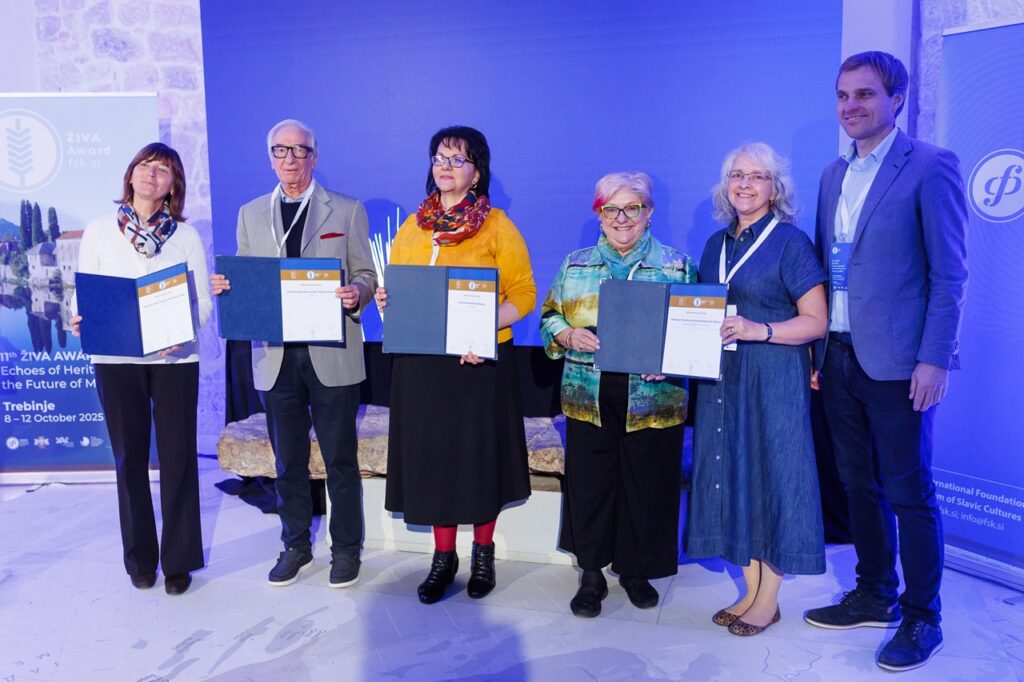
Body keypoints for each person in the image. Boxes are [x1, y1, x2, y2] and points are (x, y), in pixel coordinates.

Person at [804, 51, 968, 672]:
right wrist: (819, 349)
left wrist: (936, 359)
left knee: (910, 491)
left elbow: (950, 276)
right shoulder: (830, 175)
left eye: (866, 95)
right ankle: (876, 593)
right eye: (843, 95)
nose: (852, 106)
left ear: (896, 100)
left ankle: (924, 618)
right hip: (839, 355)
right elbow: (828, 266)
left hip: (902, 363)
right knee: (856, 485)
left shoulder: (930, 166)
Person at [210, 119, 377, 588]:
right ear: (270, 157)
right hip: (275, 354)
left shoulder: (345, 210)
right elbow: (247, 279)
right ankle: (296, 545)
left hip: (331, 352)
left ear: (314, 157)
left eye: (299, 151)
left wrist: (357, 293)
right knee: (287, 460)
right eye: (280, 151)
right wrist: (228, 287)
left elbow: (367, 273)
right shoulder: (249, 214)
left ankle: (346, 550)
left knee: (340, 458)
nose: (290, 159)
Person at [376, 126, 536, 604]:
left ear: (476, 171)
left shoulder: (497, 225)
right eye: (439, 158)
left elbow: (524, 295)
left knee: (477, 462)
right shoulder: (412, 226)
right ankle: (442, 560)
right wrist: (389, 301)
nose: (445, 167)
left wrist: (483, 331)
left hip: (476, 367)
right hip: (422, 369)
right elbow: (404, 294)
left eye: (457, 160)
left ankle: (482, 555)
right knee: (434, 463)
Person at [685, 143, 828, 636]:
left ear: (775, 188)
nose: (745, 184)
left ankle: (768, 599)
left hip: (773, 380)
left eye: (757, 176)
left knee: (773, 477)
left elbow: (816, 321)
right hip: (722, 380)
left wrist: (759, 329)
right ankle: (749, 589)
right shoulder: (713, 244)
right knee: (731, 475)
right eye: (736, 176)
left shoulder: (791, 243)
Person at [539, 171, 696, 618]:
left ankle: (635, 570)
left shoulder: (677, 267)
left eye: (633, 208)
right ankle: (591, 574)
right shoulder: (576, 264)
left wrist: (669, 359)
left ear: (648, 214)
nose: (622, 218)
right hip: (588, 395)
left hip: (654, 397)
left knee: (646, 487)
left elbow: (695, 331)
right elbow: (549, 316)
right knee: (590, 488)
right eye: (612, 209)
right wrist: (567, 335)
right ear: (599, 215)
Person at [70, 142, 211, 596]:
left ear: (174, 186)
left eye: (164, 171)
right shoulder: (98, 231)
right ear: (130, 175)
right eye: (146, 167)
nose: (152, 176)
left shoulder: (186, 237)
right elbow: (84, 293)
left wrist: (184, 332)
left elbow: (204, 304)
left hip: (174, 359)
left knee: (178, 458)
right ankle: (139, 559)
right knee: (129, 459)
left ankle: (179, 561)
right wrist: (78, 318)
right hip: (116, 359)